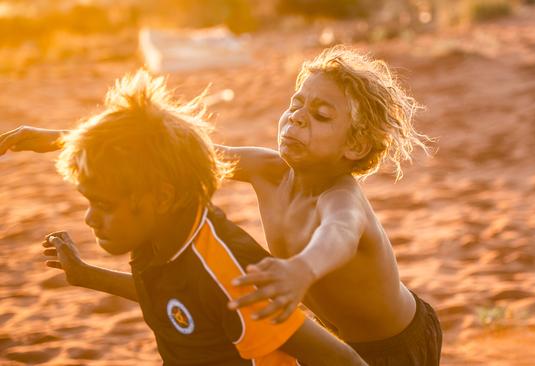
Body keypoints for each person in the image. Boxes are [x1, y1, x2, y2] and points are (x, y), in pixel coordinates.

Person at [0, 46, 442, 365]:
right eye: (295, 105)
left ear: (357, 145)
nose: (298, 118)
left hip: (395, 347)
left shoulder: (342, 200)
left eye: (322, 115)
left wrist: (301, 270)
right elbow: (170, 153)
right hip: (329, 338)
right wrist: (56, 139)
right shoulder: (268, 169)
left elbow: (338, 236)